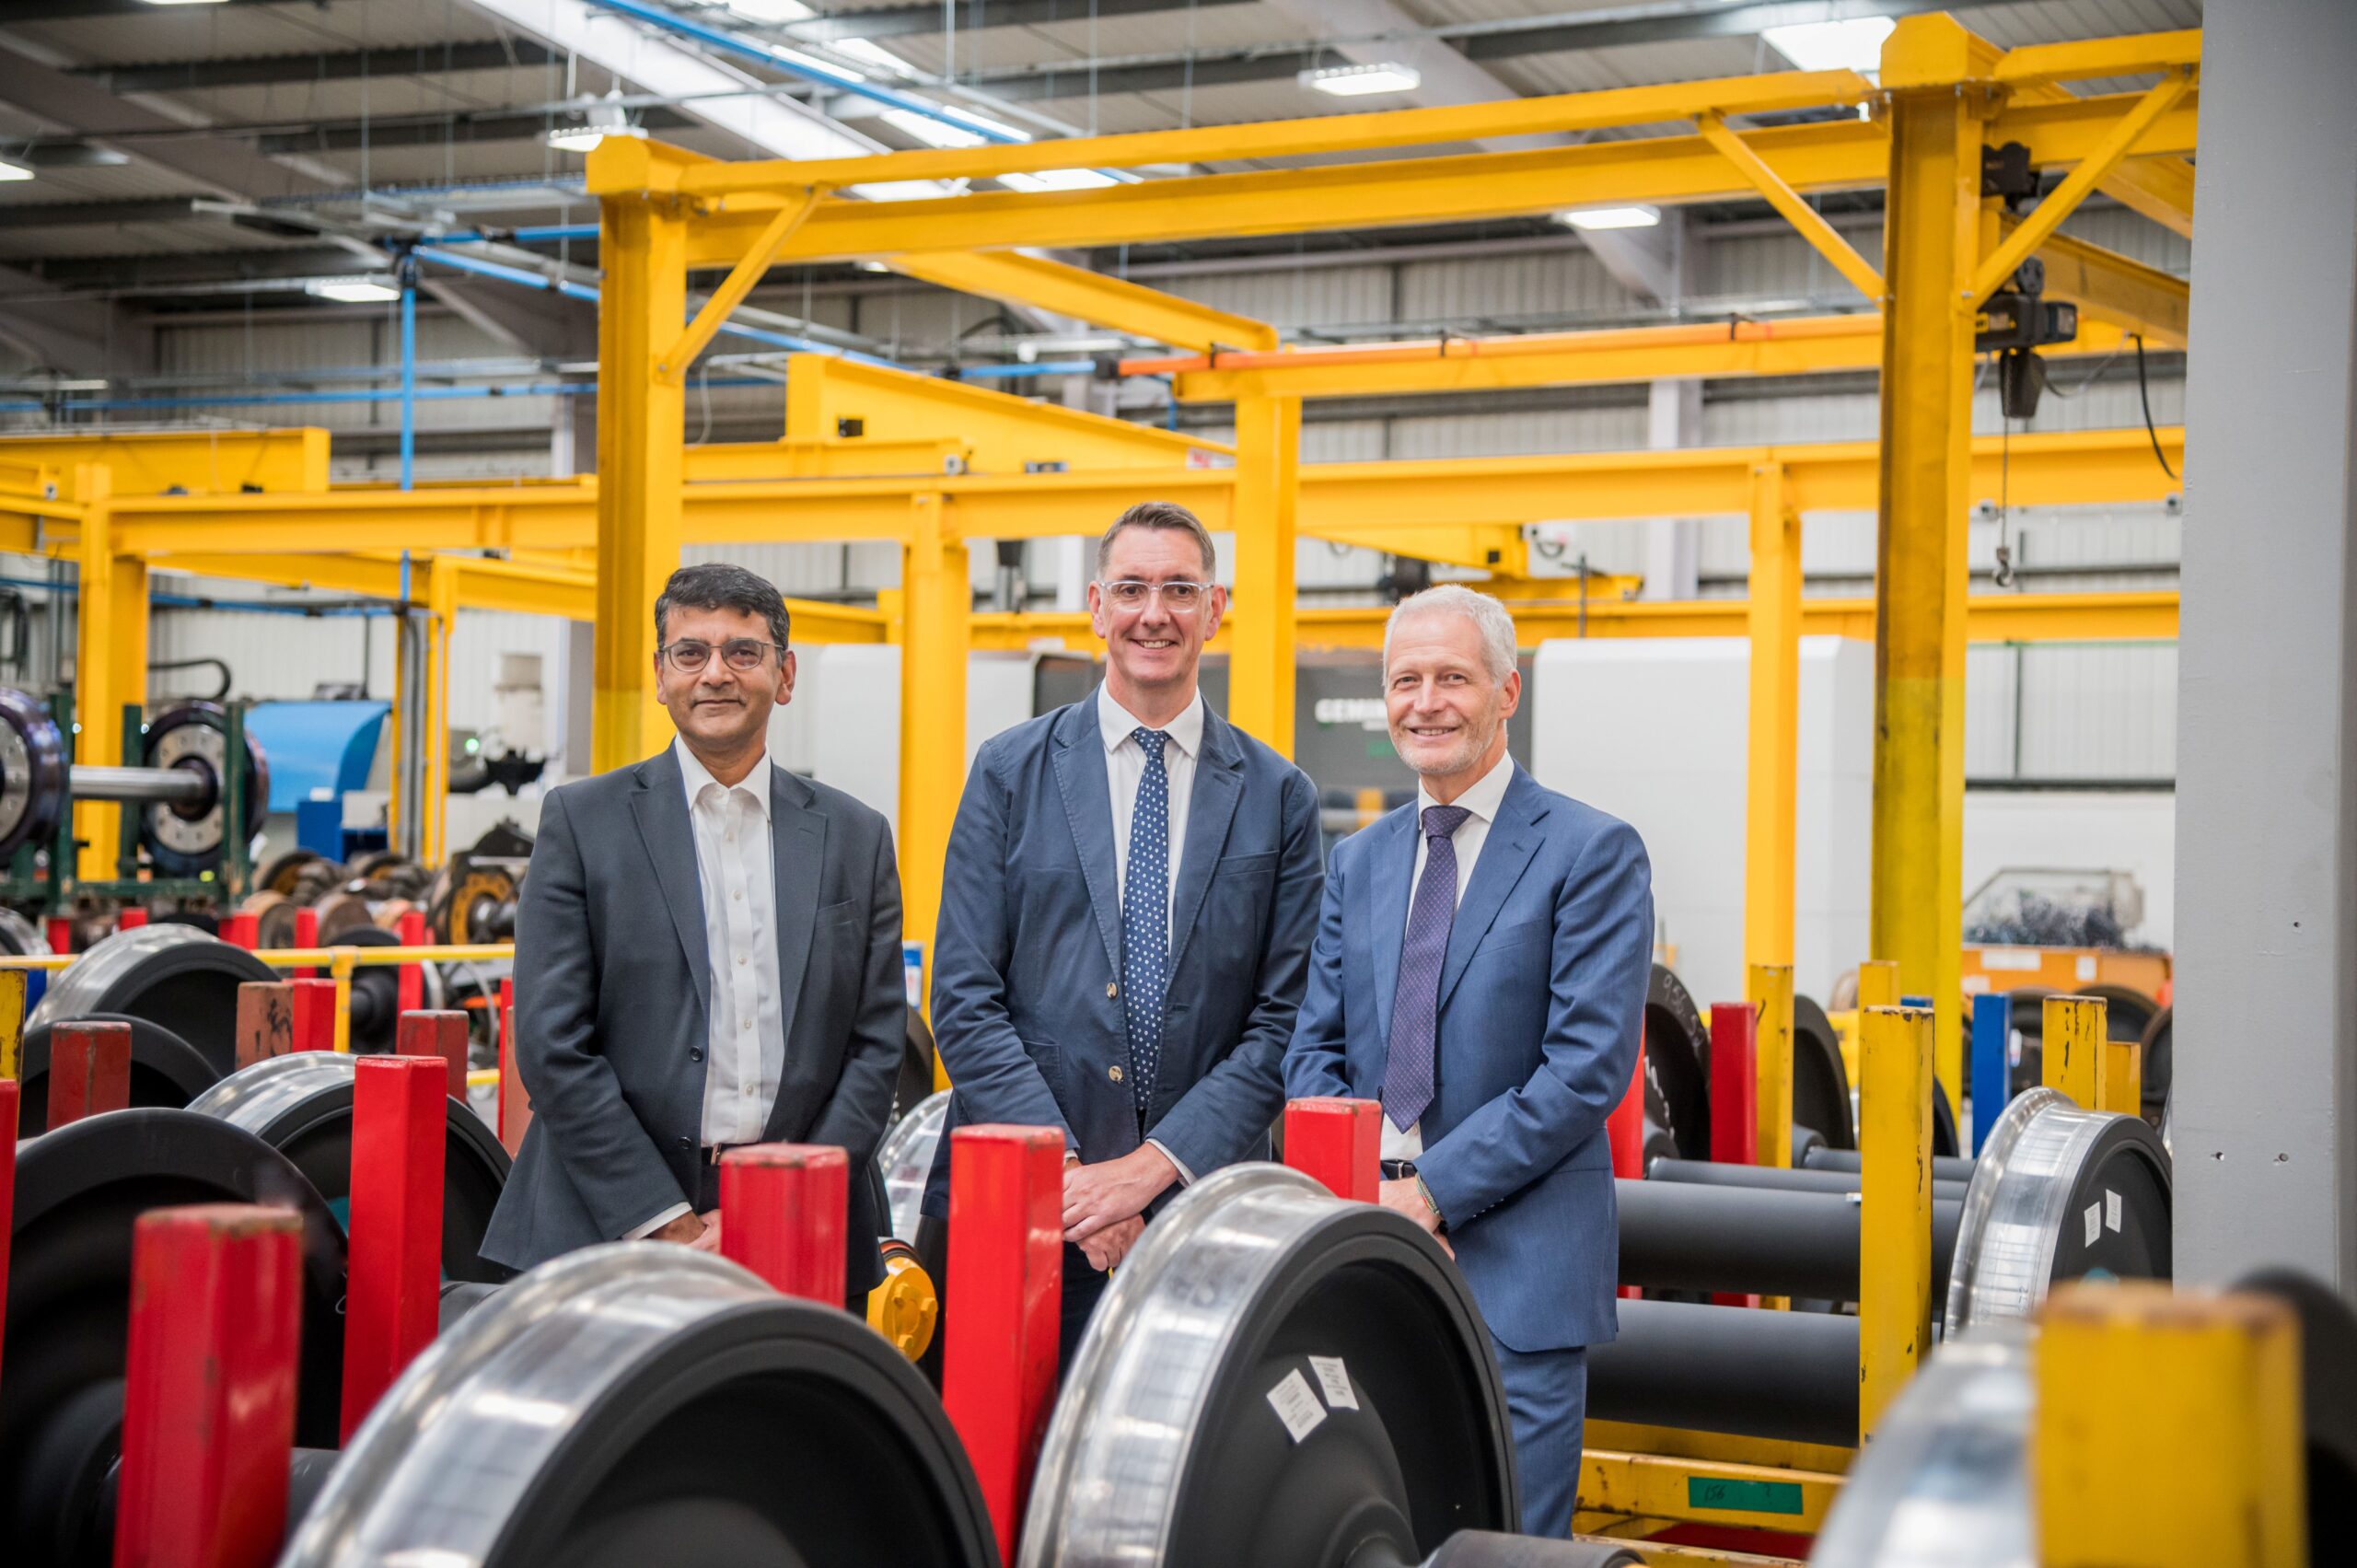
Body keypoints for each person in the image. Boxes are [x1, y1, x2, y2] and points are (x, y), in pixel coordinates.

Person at [1283, 584, 1652, 1539]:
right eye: (1404, 681)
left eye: (1452, 677)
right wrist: (1371, 1201)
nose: (1425, 702)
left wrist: (1431, 1194)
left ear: (1506, 692)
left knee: (1504, 1542)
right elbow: (1314, 1050)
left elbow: (1583, 1069)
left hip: (1515, 1278)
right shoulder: (1358, 861)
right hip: (1366, 1254)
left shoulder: (1590, 852)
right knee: (1369, 1529)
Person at [923, 500, 1324, 1364]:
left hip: (1200, 1216)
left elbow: (1285, 1019)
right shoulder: (1008, 771)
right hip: (1019, 1206)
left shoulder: (1278, 795)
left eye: (1181, 589)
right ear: (1097, 606)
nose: (1155, 613)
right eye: (1133, 588)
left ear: (1215, 609)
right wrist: (1070, 1179)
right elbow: (962, 996)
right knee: (992, 1446)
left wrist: (1150, 1170)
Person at [482, 562, 907, 1304]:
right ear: (660, 675)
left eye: (743, 651)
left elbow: (875, 1046)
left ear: (785, 674)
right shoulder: (582, 823)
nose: (716, 673)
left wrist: (781, 1203)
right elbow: (551, 1043)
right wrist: (665, 1220)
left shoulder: (856, 836)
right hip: (608, 1220)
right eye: (690, 652)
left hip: (807, 1219)